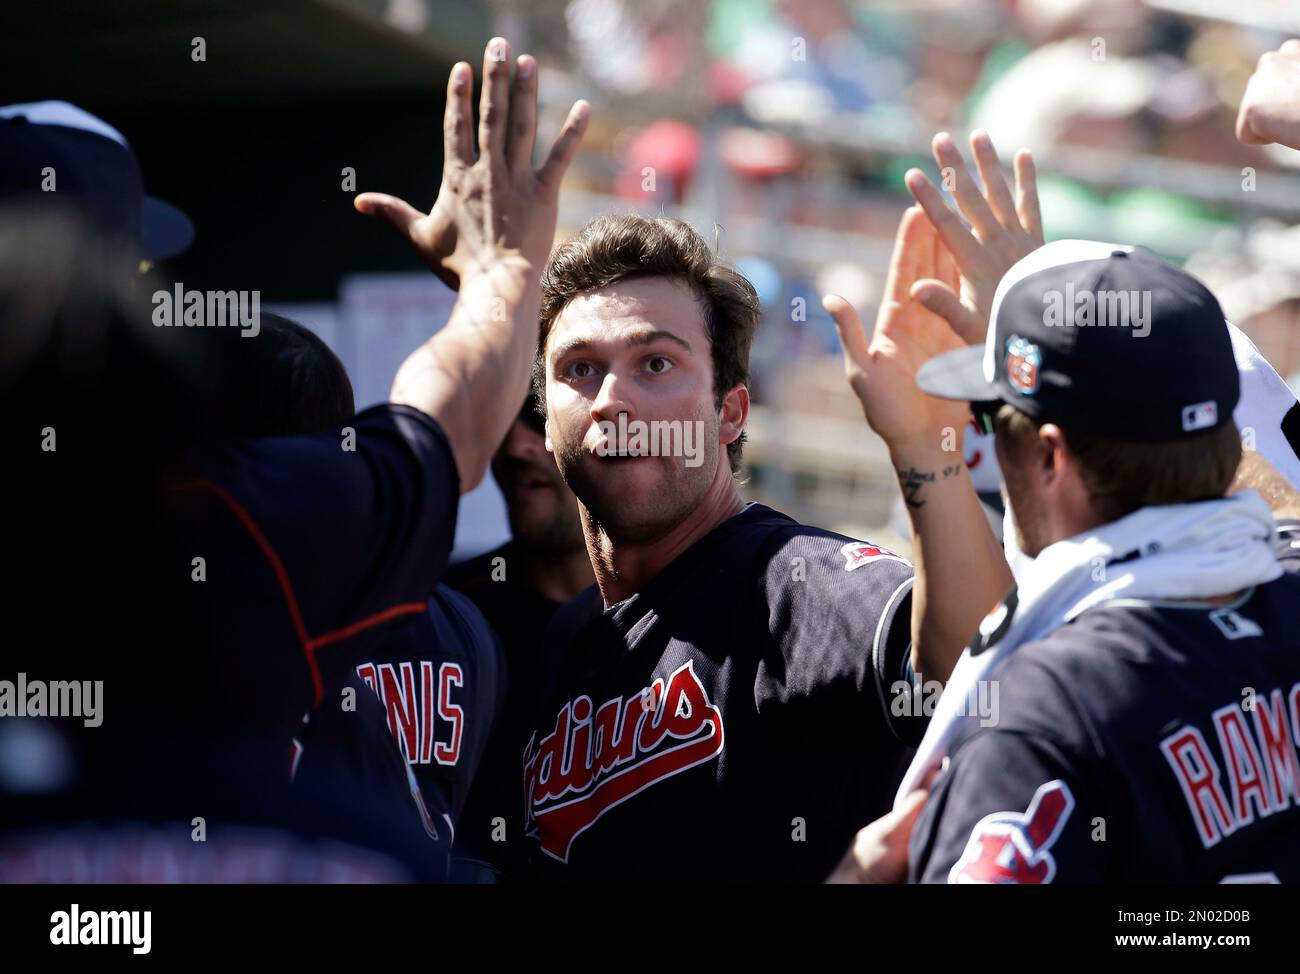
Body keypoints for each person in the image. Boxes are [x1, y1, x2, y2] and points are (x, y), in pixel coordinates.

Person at [515, 212, 996, 882]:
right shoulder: (563, 642)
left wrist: (926, 452)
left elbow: (980, 676)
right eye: (580, 369)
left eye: (655, 363)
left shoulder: (799, 585)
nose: (612, 401)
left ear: (731, 412)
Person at [446, 392, 594, 877]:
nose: (513, 447)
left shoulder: (692, 612)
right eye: (498, 423)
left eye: (538, 420)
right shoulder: (444, 616)